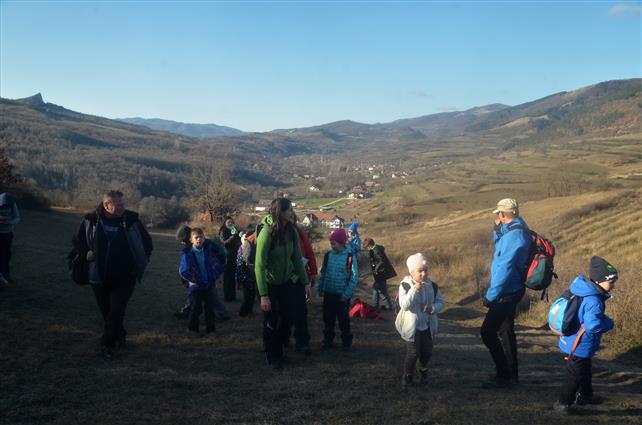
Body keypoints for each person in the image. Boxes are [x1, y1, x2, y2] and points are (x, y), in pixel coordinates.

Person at [72, 190, 152, 359]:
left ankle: (107, 345)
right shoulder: (91, 220)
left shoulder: (132, 221)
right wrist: (86, 253)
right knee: (108, 313)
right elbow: (77, 241)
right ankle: (120, 335)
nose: (123, 207)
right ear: (107, 205)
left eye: (123, 204)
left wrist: (141, 261)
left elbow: (147, 243)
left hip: (125, 277)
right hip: (98, 277)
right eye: (118, 204)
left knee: (116, 312)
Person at [553, 256, 618, 414]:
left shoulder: (583, 291)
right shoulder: (594, 300)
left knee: (585, 370)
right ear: (599, 280)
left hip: (574, 340)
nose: (613, 285)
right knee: (574, 375)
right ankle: (562, 403)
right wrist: (609, 323)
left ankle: (585, 395)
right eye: (611, 282)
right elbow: (593, 325)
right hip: (580, 344)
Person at [480, 198, 531, 388]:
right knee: (505, 330)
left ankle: (504, 376)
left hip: (507, 290)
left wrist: (491, 296)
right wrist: (497, 229)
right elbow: (501, 246)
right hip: (513, 288)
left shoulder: (514, 236)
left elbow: (504, 267)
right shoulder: (517, 228)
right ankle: (511, 374)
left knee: (487, 332)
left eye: (499, 214)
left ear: (502, 214)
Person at [255, 198, 310, 369]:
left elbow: (297, 259)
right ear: (280, 212)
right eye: (288, 210)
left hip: (286, 282)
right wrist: (263, 295)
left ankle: (279, 350)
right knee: (271, 321)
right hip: (269, 284)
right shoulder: (266, 233)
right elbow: (259, 266)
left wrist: (305, 282)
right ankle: (272, 355)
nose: (292, 213)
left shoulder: (291, 231)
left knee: (287, 318)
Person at [396, 253, 445, 388]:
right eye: (420, 271)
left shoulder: (432, 286)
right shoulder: (405, 285)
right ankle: (407, 376)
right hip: (411, 327)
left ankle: (423, 370)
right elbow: (404, 305)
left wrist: (432, 308)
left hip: (427, 326)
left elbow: (441, 303)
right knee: (413, 353)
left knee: (427, 352)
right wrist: (414, 290)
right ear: (411, 272)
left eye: (426, 270)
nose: (424, 274)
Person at [174, 224, 231, 321]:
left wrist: (216, 270)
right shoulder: (192, 246)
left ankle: (223, 314)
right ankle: (186, 311)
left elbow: (220, 255)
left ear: (187, 239)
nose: (182, 243)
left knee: (212, 295)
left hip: (209, 274)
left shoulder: (207, 245)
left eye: (183, 241)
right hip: (199, 277)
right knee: (194, 294)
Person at [317, 228, 359, 351]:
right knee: (328, 319)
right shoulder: (328, 255)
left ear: (341, 243)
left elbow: (354, 277)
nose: (332, 246)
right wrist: (321, 287)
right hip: (329, 293)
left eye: (334, 243)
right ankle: (328, 340)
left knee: (343, 321)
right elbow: (323, 273)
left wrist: (347, 294)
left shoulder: (350, 257)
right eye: (331, 243)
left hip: (342, 295)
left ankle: (346, 342)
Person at [179, 228, 223, 335]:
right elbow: (184, 271)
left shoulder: (208, 251)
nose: (199, 239)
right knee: (196, 308)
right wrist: (194, 280)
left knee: (209, 308)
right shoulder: (187, 254)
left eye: (201, 237)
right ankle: (192, 328)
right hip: (196, 286)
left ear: (204, 238)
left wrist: (214, 276)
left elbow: (217, 264)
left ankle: (210, 329)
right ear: (191, 240)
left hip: (208, 284)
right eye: (196, 237)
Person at [285, 213, 317, 354]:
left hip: (299, 276)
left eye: (292, 218)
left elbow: (309, 252)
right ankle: (283, 338)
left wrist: (313, 272)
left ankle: (302, 341)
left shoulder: (300, 233)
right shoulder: (276, 233)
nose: (290, 220)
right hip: (282, 277)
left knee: (300, 311)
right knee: (283, 311)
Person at [363, 237, 397, 311]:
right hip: (381, 274)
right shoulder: (376, 249)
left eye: (367, 248)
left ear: (369, 245)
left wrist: (376, 269)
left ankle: (384, 306)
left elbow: (381, 261)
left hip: (381, 274)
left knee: (379, 290)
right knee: (378, 289)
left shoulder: (376, 250)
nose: (367, 249)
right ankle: (377, 306)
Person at [219, 217, 241, 302]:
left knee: (232, 277)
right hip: (227, 256)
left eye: (232, 222)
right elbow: (223, 242)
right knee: (227, 277)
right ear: (225, 223)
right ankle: (227, 297)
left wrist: (239, 235)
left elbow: (239, 240)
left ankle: (233, 296)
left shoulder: (234, 230)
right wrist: (231, 237)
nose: (230, 224)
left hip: (234, 256)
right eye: (228, 222)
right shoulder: (223, 231)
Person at [236, 230, 257, 317]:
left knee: (251, 295)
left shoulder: (249, 248)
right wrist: (240, 280)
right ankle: (243, 312)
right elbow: (240, 265)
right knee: (247, 296)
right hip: (245, 276)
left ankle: (249, 310)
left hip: (249, 276)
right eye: (244, 239)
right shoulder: (241, 250)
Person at [0, 192, 20, 280]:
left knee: (7, 255)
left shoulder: (12, 204)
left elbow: (17, 217)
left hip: (8, 233)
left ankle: (6, 275)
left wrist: (10, 222)